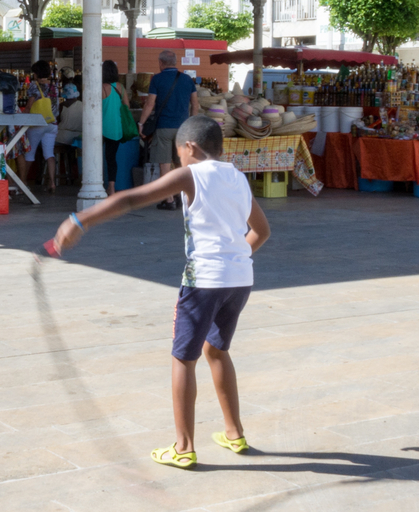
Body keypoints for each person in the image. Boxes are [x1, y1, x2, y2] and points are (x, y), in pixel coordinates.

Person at [53, 116, 270, 469]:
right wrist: (234, 258)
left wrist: (80, 220)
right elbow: (261, 231)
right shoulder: (238, 177)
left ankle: (183, 447)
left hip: (204, 281)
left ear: (190, 148)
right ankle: (234, 433)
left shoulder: (191, 174)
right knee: (217, 351)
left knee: (184, 358)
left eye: (179, 153)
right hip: (239, 278)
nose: (179, 160)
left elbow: (130, 199)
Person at [138, 50, 198, 210]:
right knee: (180, 163)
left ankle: (169, 199)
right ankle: (183, 196)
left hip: (163, 128)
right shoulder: (187, 79)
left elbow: (150, 104)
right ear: (176, 62)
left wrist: (141, 123)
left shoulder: (157, 79)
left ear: (161, 63)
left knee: (164, 164)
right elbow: (195, 104)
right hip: (183, 128)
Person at [25, 60, 59, 192]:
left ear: (36, 73)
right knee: (49, 154)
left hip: (38, 123)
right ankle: (52, 183)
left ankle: (22, 181)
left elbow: (29, 104)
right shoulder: (54, 86)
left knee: (29, 153)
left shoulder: (34, 86)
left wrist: (23, 116)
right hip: (52, 123)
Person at [102, 60, 131, 196]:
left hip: (101, 128)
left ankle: (97, 183)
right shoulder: (120, 87)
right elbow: (127, 106)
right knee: (111, 158)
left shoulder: (101, 87)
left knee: (97, 157)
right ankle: (111, 188)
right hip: (116, 128)